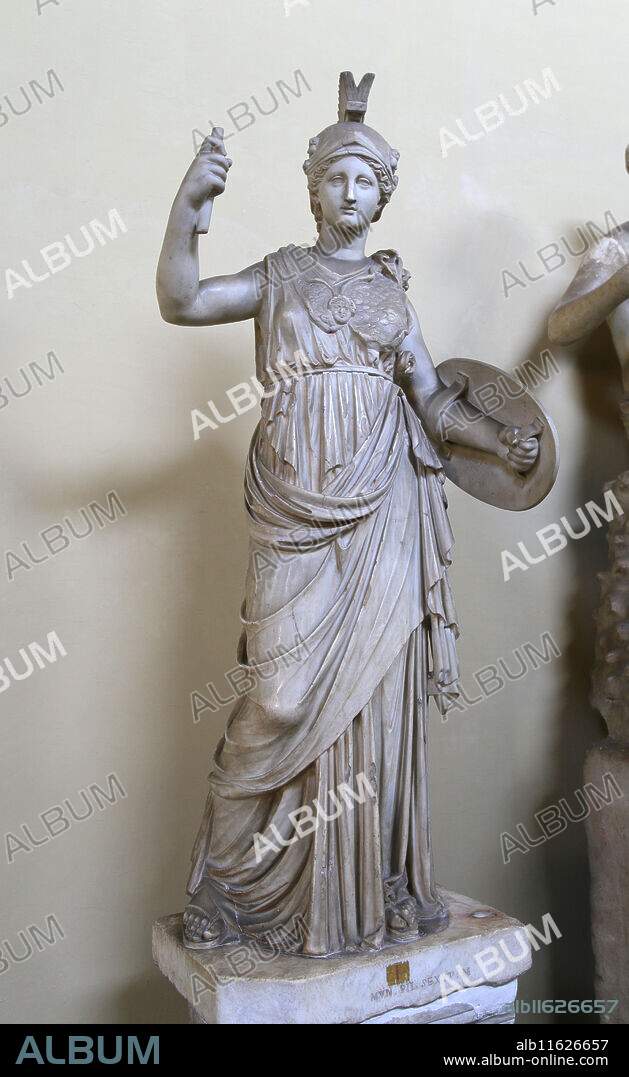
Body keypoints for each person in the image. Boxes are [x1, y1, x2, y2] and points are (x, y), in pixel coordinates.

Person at [156, 72, 539, 957]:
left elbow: (435, 401)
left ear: (382, 194)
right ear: (314, 189)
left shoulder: (393, 300)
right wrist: (189, 206)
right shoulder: (279, 276)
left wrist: (500, 439)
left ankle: (356, 892)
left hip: (380, 521)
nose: (350, 192)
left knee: (368, 707)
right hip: (291, 513)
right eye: (335, 177)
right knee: (277, 700)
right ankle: (225, 880)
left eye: (365, 180)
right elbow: (180, 300)